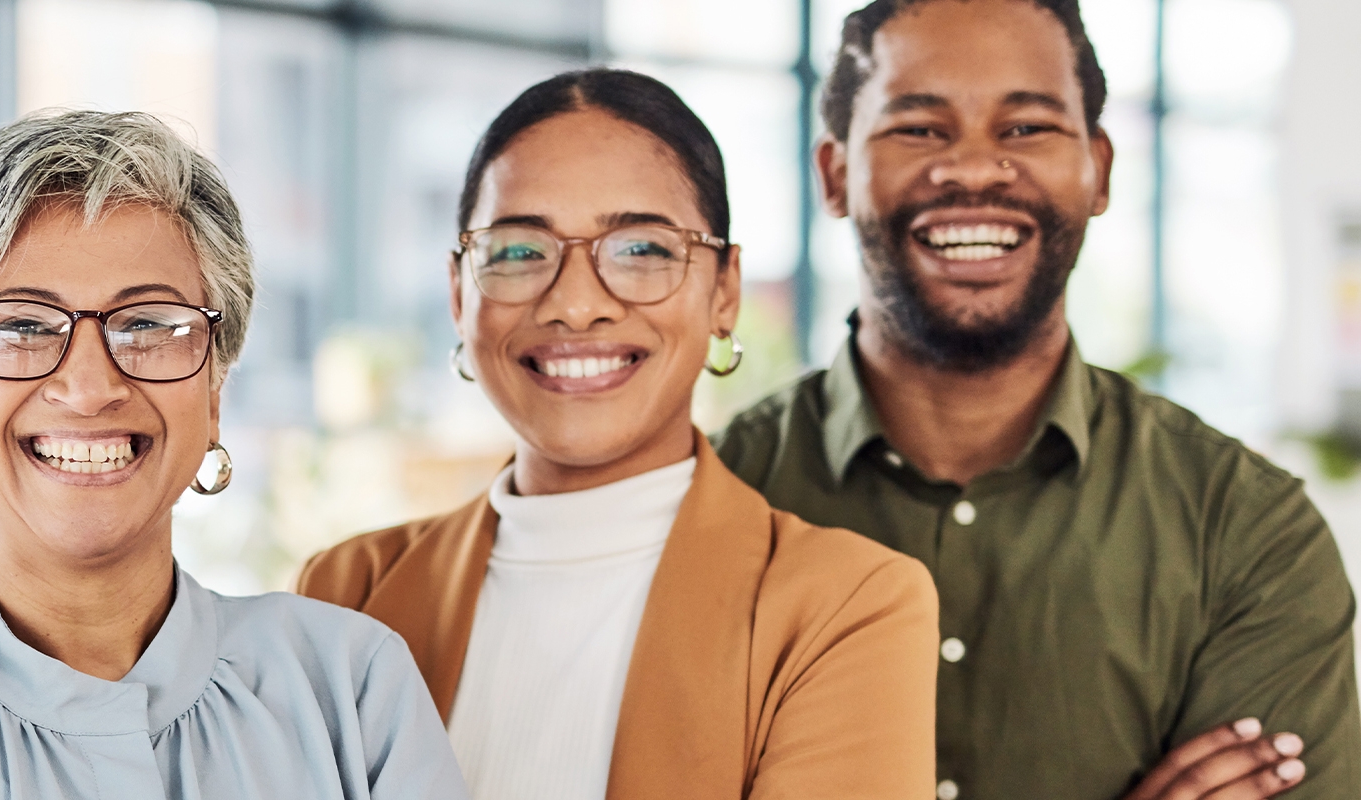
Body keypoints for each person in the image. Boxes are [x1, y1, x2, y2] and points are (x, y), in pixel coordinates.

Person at [713, 1, 1360, 798]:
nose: (974, 169)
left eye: (1026, 128)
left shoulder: (1245, 533)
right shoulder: (714, 502)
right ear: (836, 173)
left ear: (1100, 170)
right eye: (919, 128)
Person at [0, 110, 466, 799]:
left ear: (214, 390)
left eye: (148, 324)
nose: (89, 388)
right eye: (21, 327)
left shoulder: (350, 685)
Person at [295, 69, 939, 799]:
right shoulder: (346, 591)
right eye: (519, 251)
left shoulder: (848, 607)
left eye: (641, 250)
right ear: (458, 291)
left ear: (725, 291)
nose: (575, 305)